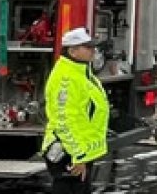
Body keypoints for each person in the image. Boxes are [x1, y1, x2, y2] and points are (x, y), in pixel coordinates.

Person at [42, 27, 109, 194]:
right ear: (73, 51)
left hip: (79, 150)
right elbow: (63, 120)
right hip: (68, 151)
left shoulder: (81, 72)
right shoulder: (66, 78)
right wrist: (77, 156)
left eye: (93, 46)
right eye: (87, 47)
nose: (93, 51)